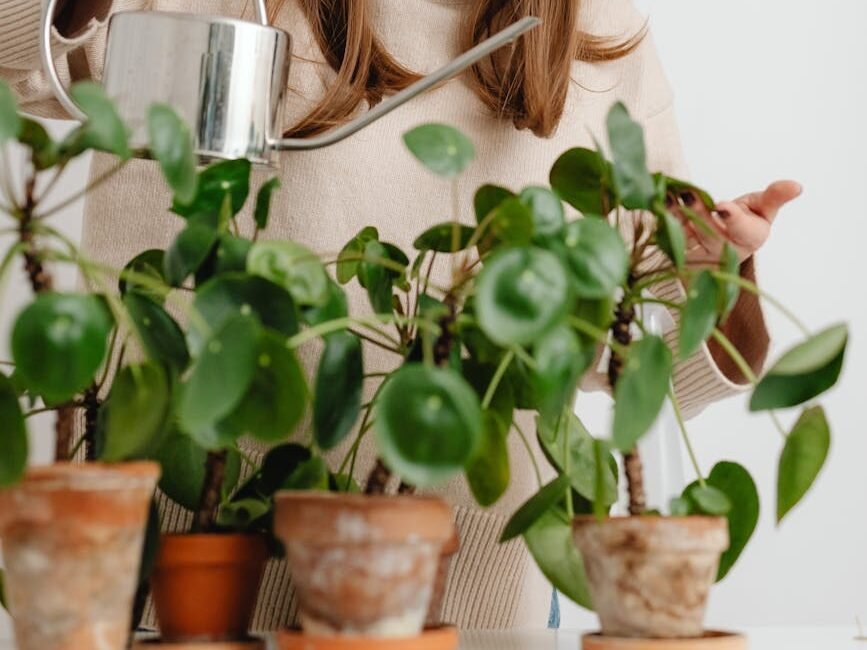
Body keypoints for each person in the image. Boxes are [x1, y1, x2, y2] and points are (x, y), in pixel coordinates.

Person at [0, 0, 800, 630]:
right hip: (177, 590)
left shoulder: (596, 30)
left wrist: (717, 268)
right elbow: (16, 64)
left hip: (474, 600)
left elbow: (647, 352)